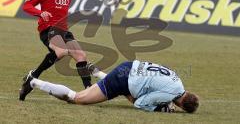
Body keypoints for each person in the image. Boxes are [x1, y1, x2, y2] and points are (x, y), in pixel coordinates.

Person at [19, 0, 93, 101]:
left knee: (81, 56)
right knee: (60, 52)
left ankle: (89, 89)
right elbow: (26, 6)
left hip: (63, 30)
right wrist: (41, 13)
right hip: (48, 29)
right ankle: (33, 76)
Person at [25, 60, 199, 113]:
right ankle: (33, 81)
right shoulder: (171, 94)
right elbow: (141, 104)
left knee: (134, 93)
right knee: (77, 98)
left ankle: (99, 74)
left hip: (130, 67)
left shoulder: (178, 81)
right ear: (181, 104)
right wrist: (162, 109)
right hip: (123, 80)